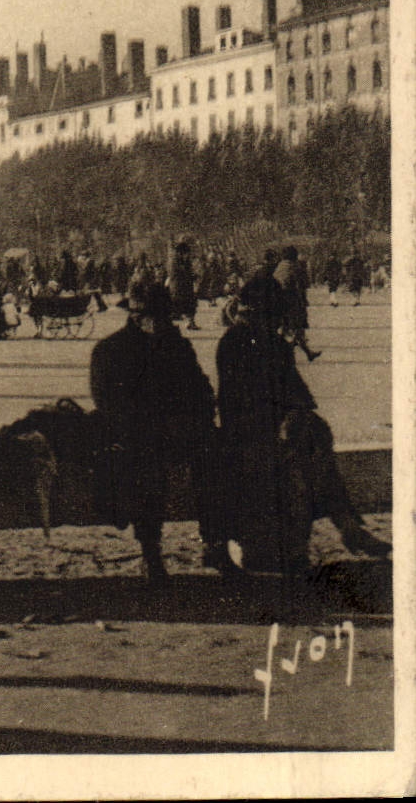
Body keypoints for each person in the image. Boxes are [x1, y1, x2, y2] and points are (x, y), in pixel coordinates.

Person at [216, 275, 389, 574]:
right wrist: (288, 420)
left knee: (309, 440)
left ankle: (334, 530)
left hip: (272, 432)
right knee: (304, 453)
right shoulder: (239, 343)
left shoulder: (260, 340)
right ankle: (343, 526)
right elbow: (246, 401)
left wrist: (294, 417)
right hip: (250, 434)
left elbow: (294, 394)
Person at [88, 281, 220, 583]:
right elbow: (108, 404)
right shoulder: (111, 350)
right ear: (136, 317)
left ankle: (215, 543)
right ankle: (151, 553)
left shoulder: (177, 346)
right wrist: (157, 422)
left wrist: (195, 417)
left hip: (177, 432)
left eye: (167, 317)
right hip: (135, 436)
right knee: (147, 466)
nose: (165, 323)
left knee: (216, 454)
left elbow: (201, 389)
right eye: (157, 317)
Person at [271, 245, 320, 361]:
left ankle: (305, 352)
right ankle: (301, 352)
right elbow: (302, 285)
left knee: (285, 328)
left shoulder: (280, 266)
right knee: (297, 328)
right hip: (292, 301)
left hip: (278, 301)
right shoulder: (295, 267)